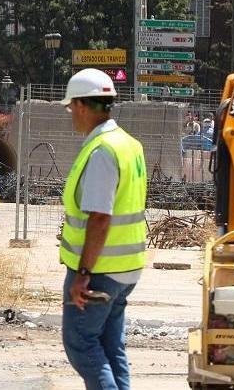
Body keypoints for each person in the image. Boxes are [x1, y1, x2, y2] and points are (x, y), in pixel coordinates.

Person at [58, 69, 147, 390]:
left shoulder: (102, 151)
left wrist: (83, 273)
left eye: (71, 108)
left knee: (81, 345)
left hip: (99, 270)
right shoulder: (129, 145)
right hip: (127, 268)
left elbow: (100, 218)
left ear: (82, 105)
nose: (71, 115)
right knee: (111, 346)